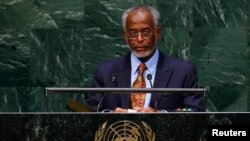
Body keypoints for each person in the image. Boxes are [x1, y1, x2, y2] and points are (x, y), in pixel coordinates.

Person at [85, 5, 205, 112]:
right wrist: (111, 116)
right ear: (125, 36)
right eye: (132, 33)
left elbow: (195, 111)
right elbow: (91, 112)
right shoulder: (105, 72)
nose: (139, 39)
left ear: (157, 33)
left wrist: (160, 114)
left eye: (146, 32)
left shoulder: (183, 72)